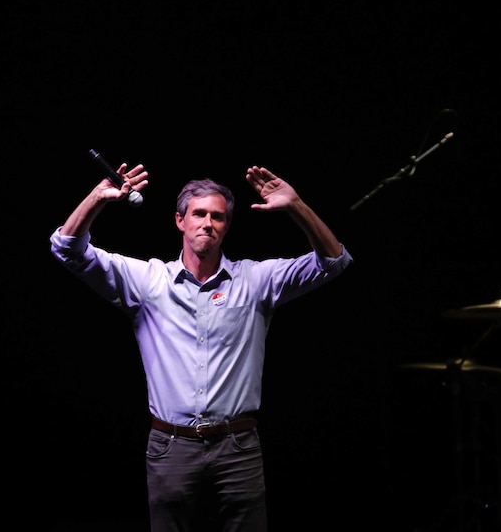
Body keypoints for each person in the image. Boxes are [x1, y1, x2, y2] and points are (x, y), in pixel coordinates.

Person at [49, 160, 354, 531]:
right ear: (181, 221)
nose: (207, 223)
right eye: (198, 214)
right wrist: (98, 197)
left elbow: (333, 261)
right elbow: (68, 248)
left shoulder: (254, 280)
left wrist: (296, 206)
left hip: (237, 446)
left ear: (227, 226)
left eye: (218, 217)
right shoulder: (149, 281)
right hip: (171, 446)